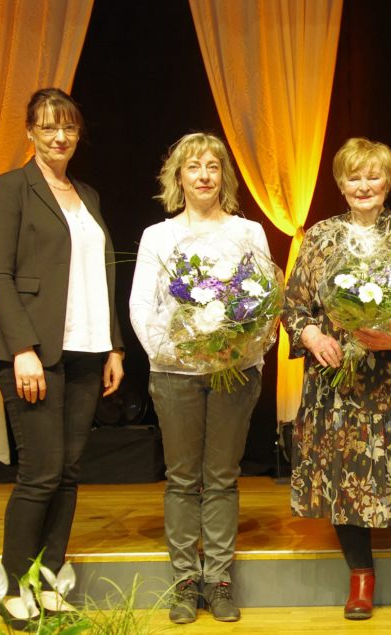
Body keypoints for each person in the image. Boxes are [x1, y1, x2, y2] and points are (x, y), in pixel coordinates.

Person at [283, 138, 391, 621]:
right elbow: (293, 307)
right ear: (340, 184)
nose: (364, 185)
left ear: (389, 182)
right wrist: (314, 336)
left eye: (373, 176)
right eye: (354, 177)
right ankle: (361, 577)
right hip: (339, 379)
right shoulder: (318, 237)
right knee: (344, 475)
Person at [0, 88, 125, 605]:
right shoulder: (10, 188)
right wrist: (22, 347)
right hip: (34, 351)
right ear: (30, 132)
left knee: (67, 472)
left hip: (87, 350)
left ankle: (47, 581)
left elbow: (99, 274)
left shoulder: (88, 195)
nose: (59, 137)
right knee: (40, 472)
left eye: (67, 127)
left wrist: (114, 345)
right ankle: (13, 586)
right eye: (47, 127)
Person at [130, 133, 270, 624]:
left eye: (213, 166)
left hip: (234, 372)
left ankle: (220, 580)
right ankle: (186, 582)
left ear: (223, 176)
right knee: (183, 479)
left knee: (223, 478)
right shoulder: (158, 236)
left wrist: (242, 347)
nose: (204, 175)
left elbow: (265, 302)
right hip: (174, 374)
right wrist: (173, 350)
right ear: (179, 176)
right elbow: (141, 306)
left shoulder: (248, 231)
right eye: (194, 167)